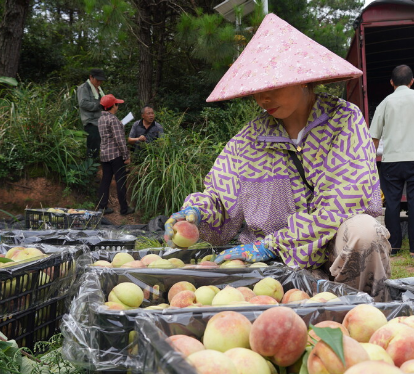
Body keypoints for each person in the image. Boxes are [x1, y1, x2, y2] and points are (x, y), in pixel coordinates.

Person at [163, 14, 391, 301]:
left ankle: (364, 309)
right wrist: (197, 214)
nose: (263, 98)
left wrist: (275, 243)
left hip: (334, 253)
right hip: (274, 270)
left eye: (273, 86)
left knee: (364, 231)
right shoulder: (249, 140)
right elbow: (221, 199)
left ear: (303, 80)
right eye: (257, 89)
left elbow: (342, 203)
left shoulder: (343, 121)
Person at [369, 65, 414, 258]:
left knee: (392, 204)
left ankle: (393, 248)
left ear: (391, 82)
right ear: (412, 81)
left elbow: (374, 138)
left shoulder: (384, 103)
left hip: (391, 161)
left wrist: (368, 165)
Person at [97, 94, 135, 216]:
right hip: (115, 155)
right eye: (116, 104)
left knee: (105, 180)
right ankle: (124, 209)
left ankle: (102, 206)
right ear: (113, 106)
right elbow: (120, 140)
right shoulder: (113, 120)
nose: (117, 106)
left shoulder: (101, 119)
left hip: (104, 155)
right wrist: (126, 156)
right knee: (121, 181)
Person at [77, 68, 106, 158]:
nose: (99, 82)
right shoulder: (84, 88)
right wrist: (99, 104)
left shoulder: (99, 89)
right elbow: (83, 103)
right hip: (91, 121)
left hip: (99, 120)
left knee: (98, 145)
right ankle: (90, 167)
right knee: (92, 146)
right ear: (91, 77)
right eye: (97, 80)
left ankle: (96, 165)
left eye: (101, 81)